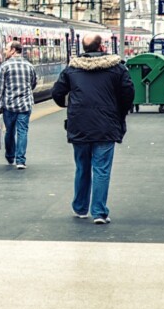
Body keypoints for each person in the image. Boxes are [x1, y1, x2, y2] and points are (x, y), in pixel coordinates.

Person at [51, 33, 134, 225]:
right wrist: (118, 111)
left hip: (79, 125)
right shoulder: (117, 68)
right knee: (101, 169)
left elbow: (57, 93)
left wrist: (70, 107)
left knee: (82, 167)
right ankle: (99, 212)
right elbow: (128, 93)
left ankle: (80, 208)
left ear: (84, 48)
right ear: (102, 47)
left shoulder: (72, 69)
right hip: (106, 125)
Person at [0, 40, 37, 169]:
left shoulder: (5, 67)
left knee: (9, 131)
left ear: (13, 50)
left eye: (6, 49)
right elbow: (33, 83)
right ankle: (21, 160)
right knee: (22, 131)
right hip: (25, 105)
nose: (4, 51)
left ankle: (10, 156)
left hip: (9, 106)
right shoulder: (29, 66)